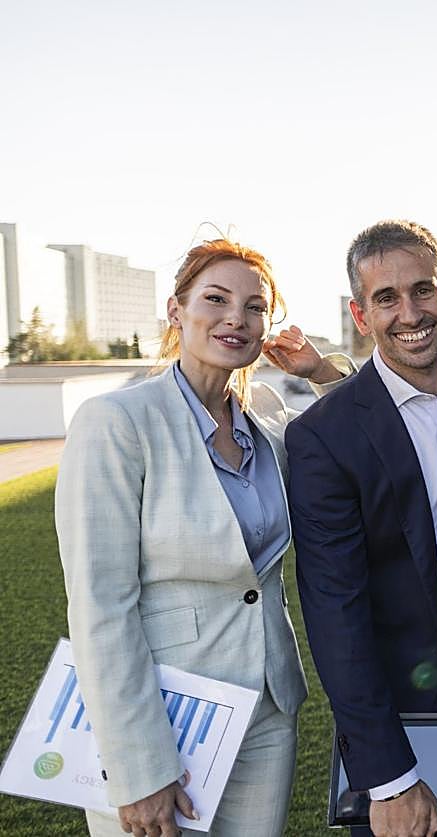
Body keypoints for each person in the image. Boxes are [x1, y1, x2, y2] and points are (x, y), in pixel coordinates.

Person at [56, 238, 351, 837]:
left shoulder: (265, 416)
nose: (235, 319)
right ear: (176, 311)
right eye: (215, 299)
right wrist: (138, 766)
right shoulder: (117, 422)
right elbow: (100, 604)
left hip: (266, 709)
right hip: (164, 714)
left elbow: (359, 437)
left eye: (255, 306)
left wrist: (320, 371)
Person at [286, 220, 437, 837]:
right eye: (386, 298)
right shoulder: (322, 434)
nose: (409, 311)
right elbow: (335, 609)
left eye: (422, 290)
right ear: (360, 314)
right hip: (400, 683)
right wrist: (386, 774)